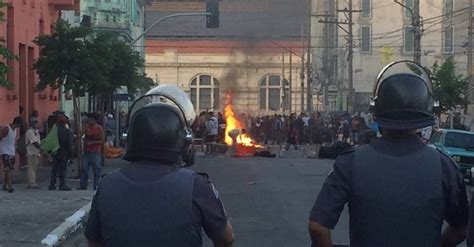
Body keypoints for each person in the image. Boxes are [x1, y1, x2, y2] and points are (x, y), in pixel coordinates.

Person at [308, 61, 468, 247]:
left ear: (376, 110)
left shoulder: (350, 163)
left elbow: (317, 227)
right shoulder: (445, 166)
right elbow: (461, 228)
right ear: (426, 114)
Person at [84, 85, 234, 247]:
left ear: (131, 139)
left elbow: (94, 242)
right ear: (183, 142)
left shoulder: (106, 185)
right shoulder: (197, 185)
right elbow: (225, 238)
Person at [79, 113, 105, 190]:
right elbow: (80, 135)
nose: (89, 121)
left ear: (94, 120)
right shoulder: (86, 127)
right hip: (87, 152)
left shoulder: (99, 128)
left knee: (97, 170)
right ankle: (83, 186)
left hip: (96, 152)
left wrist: (92, 143)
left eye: (90, 120)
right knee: (84, 169)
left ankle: (96, 186)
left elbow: (102, 140)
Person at [49, 115, 73, 191]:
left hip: (55, 151)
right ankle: (62, 185)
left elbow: (50, 140)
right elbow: (69, 144)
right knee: (63, 169)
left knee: (54, 170)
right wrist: (70, 154)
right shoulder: (67, 131)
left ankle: (52, 184)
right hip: (63, 152)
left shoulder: (54, 131)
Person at [0, 117, 23, 193]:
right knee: (8, 168)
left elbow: (13, 141)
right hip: (4, 150)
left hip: (11, 151)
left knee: (9, 169)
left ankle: (4, 185)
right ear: (17, 123)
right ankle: (10, 186)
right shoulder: (7, 128)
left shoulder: (15, 130)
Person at [25, 118, 41, 189]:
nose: (36, 124)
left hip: (36, 152)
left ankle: (33, 181)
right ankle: (32, 183)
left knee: (34, 168)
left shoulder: (36, 131)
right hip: (31, 152)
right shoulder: (30, 132)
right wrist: (42, 148)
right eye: (34, 122)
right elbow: (34, 142)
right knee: (31, 168)